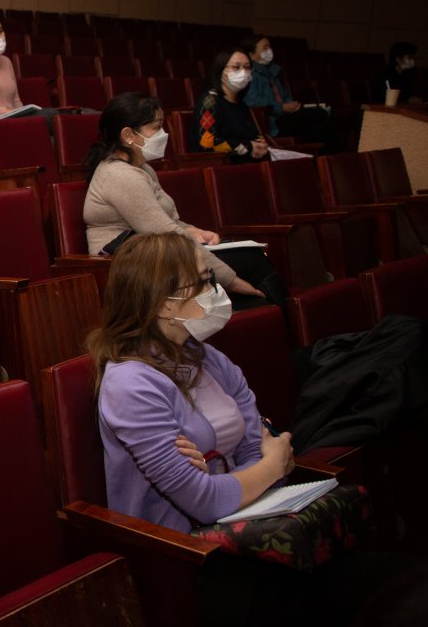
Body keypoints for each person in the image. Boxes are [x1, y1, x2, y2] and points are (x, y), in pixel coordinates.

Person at [91, 233, 416, 627]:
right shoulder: (130, 385)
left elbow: (251, 450)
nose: (215, 292)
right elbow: (207, 501)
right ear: (164, 303)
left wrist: (231, 478)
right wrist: (269, 468)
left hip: (254, 537)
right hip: (191, 562)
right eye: (203, 282)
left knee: (402, 583)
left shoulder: (207, 356)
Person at [83, 92, 277, 309]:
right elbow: (165, 232)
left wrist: (193, 230)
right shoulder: (120, 175)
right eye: (156, 127)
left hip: (155, 254)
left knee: (250, 266)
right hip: (130, 267)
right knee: (250, 263)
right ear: (128, 135)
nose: (163, 134)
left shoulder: (142, 169)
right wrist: (231, 281)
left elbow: (164, 222)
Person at [240, 35, 336, 150]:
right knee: (319, 114)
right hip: (272, 122)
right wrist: (282, 108)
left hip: (285, 116)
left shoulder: (272, 72)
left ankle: (327, 154)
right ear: (251, 55)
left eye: (270, 47)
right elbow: (253, 101)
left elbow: (284, 95)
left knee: (317, 125)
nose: (270, 50)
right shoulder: (250, 75)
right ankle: (332, 152)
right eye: (265, 48)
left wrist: (292, 105)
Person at [192, 49, 268, 163]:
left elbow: (253, 137)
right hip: (222, 167)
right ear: (220, 70)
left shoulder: (242, 104)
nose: (243, 72)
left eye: (247, 67)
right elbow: (206, 143)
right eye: (236, 67)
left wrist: (260, 145)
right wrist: (248, 147)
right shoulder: (209, 101)